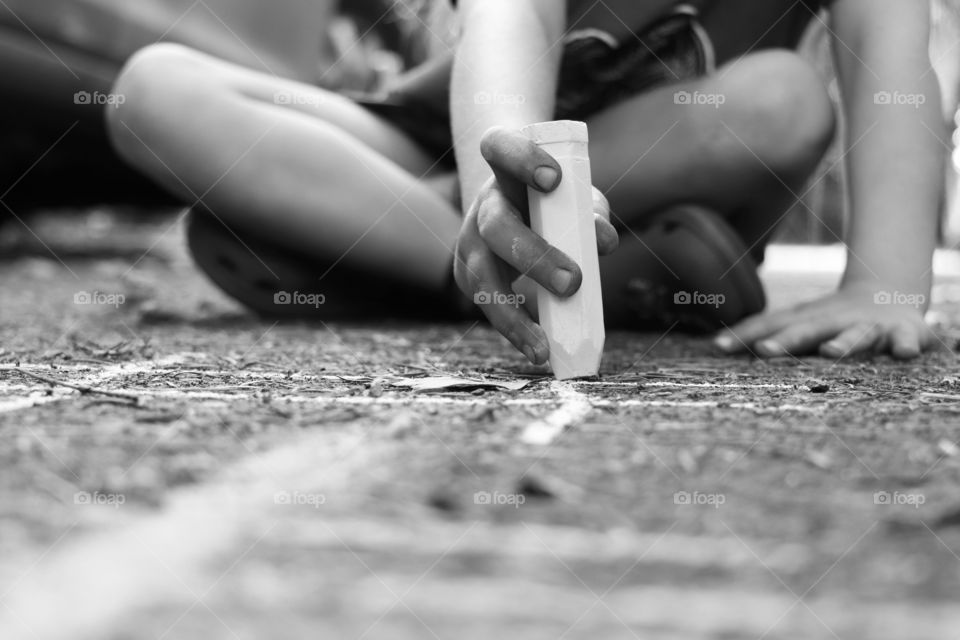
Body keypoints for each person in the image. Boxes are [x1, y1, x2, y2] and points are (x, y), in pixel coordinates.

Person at [106, 0, 944, 363]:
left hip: (652, 171)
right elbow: (512, 17)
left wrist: (885, 286)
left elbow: (891, 64)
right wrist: (492, 184)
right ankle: (487, 261)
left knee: (783, 98)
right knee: (154, 89)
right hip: (449, 150)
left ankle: (378, 243)